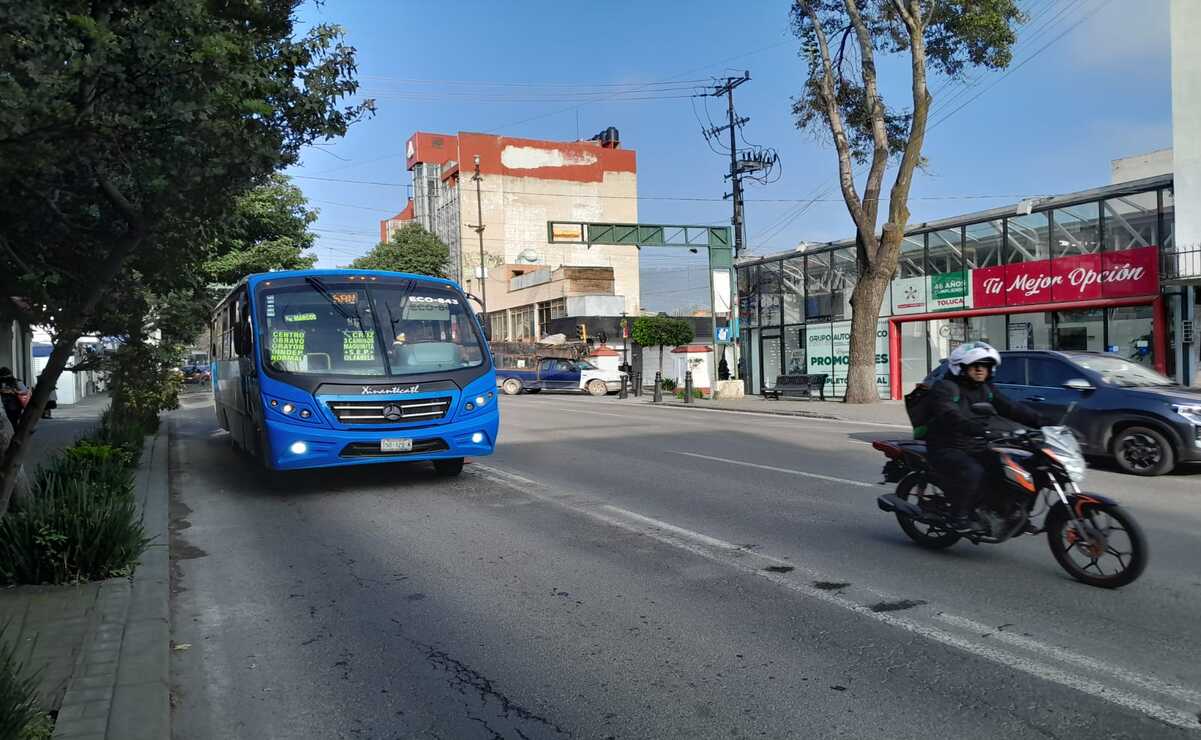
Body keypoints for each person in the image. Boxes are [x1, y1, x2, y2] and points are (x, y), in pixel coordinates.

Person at [925, 342, 1043, 533]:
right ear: (961, 367)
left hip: (977, 444)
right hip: (947, 446)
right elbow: (949, 414)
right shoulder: (945, 387)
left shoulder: (986, 388)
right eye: (975, 365)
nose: (981, 369)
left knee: (1018, 468)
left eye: (986, 365)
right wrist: (973, 428)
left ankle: (1012, 514)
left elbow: (1009, 407)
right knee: (974, 472)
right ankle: (959, 516)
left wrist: (1041, 421)